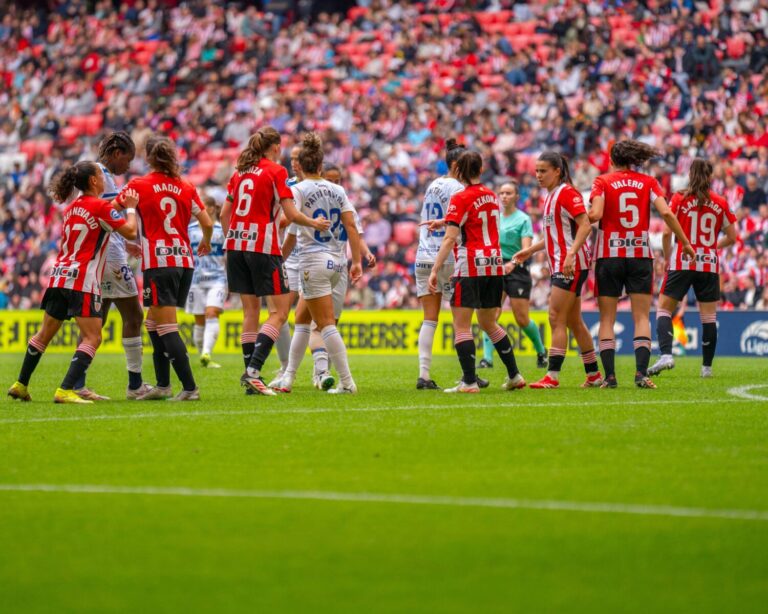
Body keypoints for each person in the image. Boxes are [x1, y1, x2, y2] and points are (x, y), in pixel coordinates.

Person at [8, 162, 138, 403]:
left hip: (59, 276)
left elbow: (100, 222)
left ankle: (20, 384)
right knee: (93, 337)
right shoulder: (100, 206)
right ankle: (66, 389)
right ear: (93, 182)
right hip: (83, 280)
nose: (103, 178)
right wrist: (130, 208)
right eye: (100, 175)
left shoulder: (71, 208)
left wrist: (117, 209)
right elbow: (130, 230)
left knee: (43, 334)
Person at [220, 126, 330, 396]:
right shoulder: (276, 171)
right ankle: (254, 371)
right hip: (263, 247)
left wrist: (233, 238)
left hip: (235, 246)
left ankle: (251, 378)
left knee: (250, 313)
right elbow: (291, 214)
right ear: (276, 147)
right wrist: (314, 223)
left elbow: (225, 213)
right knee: (280, 312)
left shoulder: (240, 172)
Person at [588, 140, 696, 388]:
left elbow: (597, 214)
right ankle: (641, 375)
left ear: (612, 160)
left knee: (606, 319)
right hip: (640, 255)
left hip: (609, 255)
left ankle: (610, 378)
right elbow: (667, 213)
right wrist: (685, 243)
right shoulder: (648, 182)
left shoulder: (602, 181)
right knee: (640, 318)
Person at [271, 133, 363, 393]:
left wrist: (278, 261)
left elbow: (290, 224)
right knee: (301, 319)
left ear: (301, 165)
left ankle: (347, 383)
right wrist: (355, 261)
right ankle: (288, 377)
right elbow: (351, 226)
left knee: (325, 325)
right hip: (337, 262)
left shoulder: (297, 190)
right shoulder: (338, 189)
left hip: (313, 261)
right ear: (321, 166)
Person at [123, 136, 213, 401]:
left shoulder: (138, 185)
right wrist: (206, 242)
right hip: (184, 262)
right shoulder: (186, 187)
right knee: (153, 323)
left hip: (159, 263)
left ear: (149, 157)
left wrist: (127, 238)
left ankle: (189, 388)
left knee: (166, 327)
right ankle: (163, 385)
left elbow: (114, 211)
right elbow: (207, 222)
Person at [427, 150, 526, 394]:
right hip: (494, 264)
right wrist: (447, 222)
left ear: (458, 171)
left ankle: (469, 382)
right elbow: (476, 222)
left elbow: (451, 239)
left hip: (470, 264)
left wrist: (436, 268)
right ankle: (514, 375)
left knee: (461, 325)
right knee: (489, 323)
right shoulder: (492, 196)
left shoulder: (460, 197)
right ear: (481, 170)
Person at [513, 152, 602, 389]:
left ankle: (552, 376)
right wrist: (530, 250)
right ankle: (593, 375)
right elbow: (555, 235)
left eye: (543, 171)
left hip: (570, 264)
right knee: (574, 320)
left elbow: (585, 225)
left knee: (555, 317)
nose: (538, 175)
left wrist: (571, 254)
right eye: (537, 171)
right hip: (562, 262)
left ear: (557, 171)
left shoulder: (567, 193)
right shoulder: (550, 196)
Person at [73, 131, 151, 401]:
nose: (128, 167)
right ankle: (135, 385)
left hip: (103, 253)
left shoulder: (93, 171)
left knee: (97, 321)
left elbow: (100, 212)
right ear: (117, 154)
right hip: (110, 258)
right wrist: (125, 228)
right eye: (127, 161)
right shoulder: (100, 172)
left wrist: (120, 237)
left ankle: (76, 383)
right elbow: (105, 209)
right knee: (134, 316)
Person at [649, 159, 738, 378]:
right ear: (710, 177)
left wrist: (669, 256)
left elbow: (668, 234)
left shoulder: (680, 198)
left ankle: (667, 355)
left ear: (690, 175)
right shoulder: (721, 202)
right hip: (708, 262)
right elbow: (732, 237)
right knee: (708, 317)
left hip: (682, 260)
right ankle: (706, 368)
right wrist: (709, 247)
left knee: (663, 309)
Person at [478, 180, 548, 370]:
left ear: (517, 197)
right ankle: (487, 359)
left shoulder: (523, 219)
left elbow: (526, 249)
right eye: (501, 193)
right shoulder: (494, 218)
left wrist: (513, 263)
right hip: (496, 268)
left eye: (508, 193)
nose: (504, 196)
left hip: (517, 269)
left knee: (522, 318)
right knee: (490, 314)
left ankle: (541, 351)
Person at [414, 138, 466, 390]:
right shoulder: (458, 188)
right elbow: (459, 223)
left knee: (429, 320)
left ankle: (423, 376)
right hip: (448, 257)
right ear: (456, 164)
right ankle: (468, 375)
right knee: (461, 320)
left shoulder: (432, 185)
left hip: (423, 255)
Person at [186, 194, 227, 368]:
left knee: (211, 313)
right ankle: (203, 356)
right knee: (199, 320)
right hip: (195, 280)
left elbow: (228, 255)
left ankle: (206, 353)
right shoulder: (190, 229)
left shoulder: (222, 230)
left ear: (210, 208)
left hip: (217, 278)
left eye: (201, 206)